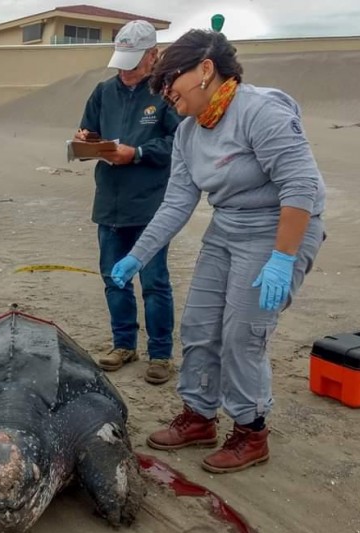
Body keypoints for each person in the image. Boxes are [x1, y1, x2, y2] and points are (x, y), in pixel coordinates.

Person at [111, 29, 325, 473]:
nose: (166, 93)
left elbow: (300, 187)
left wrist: (282, 259)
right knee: (200, 325)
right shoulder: (189, 132)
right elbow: (176, 203)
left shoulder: (260, 111)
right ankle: (199, 415)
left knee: (241, 335)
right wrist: (138, 255)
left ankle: (251, 430)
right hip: (228, 227)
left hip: (280, 228)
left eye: (171, 81)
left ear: (205, 69)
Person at [75, 20, 183, 385]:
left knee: (154, 281)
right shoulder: (103, 92)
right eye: (122, 61)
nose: (126, 69)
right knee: (113, 278)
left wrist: (136, 153)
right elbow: (89, 130)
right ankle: (124, 344)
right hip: (110, 202)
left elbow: (179, 144)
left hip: (151, 205)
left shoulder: (167, 95)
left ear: (153, 56)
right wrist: (87, 140)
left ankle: (161, 353)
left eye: (134, 61)